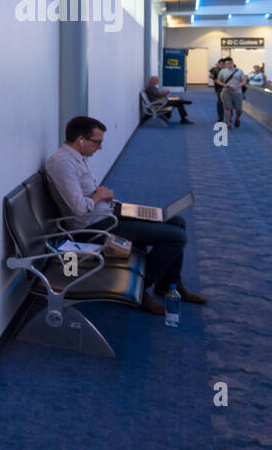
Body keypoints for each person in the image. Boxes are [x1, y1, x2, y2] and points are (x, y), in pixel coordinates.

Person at [45, 116, 206, 315]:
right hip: (92, 228)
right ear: (80, 140)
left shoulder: (77, 158)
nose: (100, 147)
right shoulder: (62, 163)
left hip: (107, 214)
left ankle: (170, 284)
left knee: (176, 221)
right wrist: (99, 195)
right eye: (98, 142)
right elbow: (78, 208)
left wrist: (104, 197)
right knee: (177, 237)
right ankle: (140, 288)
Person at [220, 58, 247, 129]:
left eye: (229, 63)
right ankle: (228, 123)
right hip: (226, 92)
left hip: (237, 92)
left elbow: (244, 81)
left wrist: (237, 87)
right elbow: (218, 80)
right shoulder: (222, 71)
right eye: (226, 64)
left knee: (239, 110)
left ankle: (237, 118)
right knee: (227, 108)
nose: (228, 65)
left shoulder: (240, 71)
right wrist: (224, 85)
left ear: (232, 63)